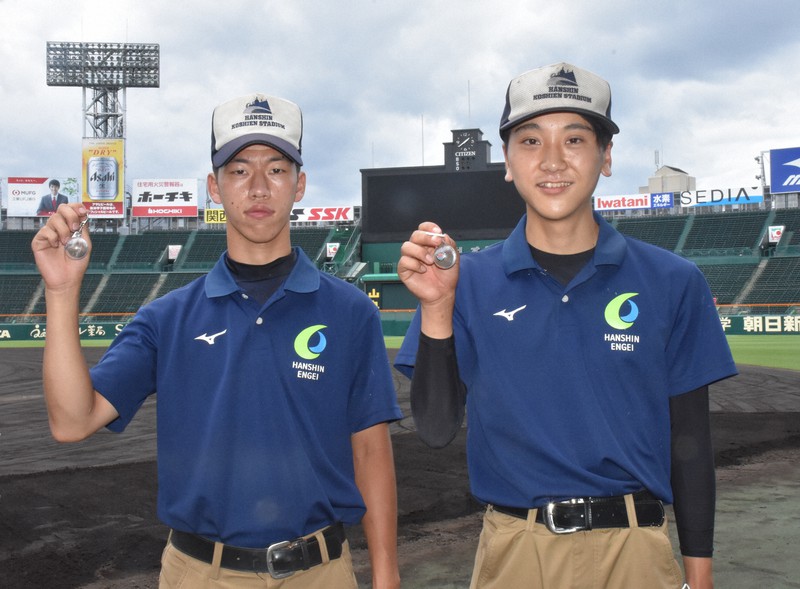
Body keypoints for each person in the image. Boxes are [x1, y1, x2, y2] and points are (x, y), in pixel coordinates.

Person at [32, 93, 402, 589]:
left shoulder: (351, 312)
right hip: (199, 574)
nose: (257, 187)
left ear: (300, 185)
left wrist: (386, 577)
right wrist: (61, 293)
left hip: (321, 572)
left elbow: (371, 453)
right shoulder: (166, 317)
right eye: (238, 170)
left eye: (276, 169)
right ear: (214, 186)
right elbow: (72, 421)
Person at [394, 62, 737, 589]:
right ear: (507, 161)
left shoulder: (673, 280)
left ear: (605, 157)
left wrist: (701, 575)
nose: (552, 160)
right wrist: (438, 308)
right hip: (517, 549)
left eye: (574, 138)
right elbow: (436, 430)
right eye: (530, 140)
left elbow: (689, 440)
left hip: (637, 551)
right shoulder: (467, 281)